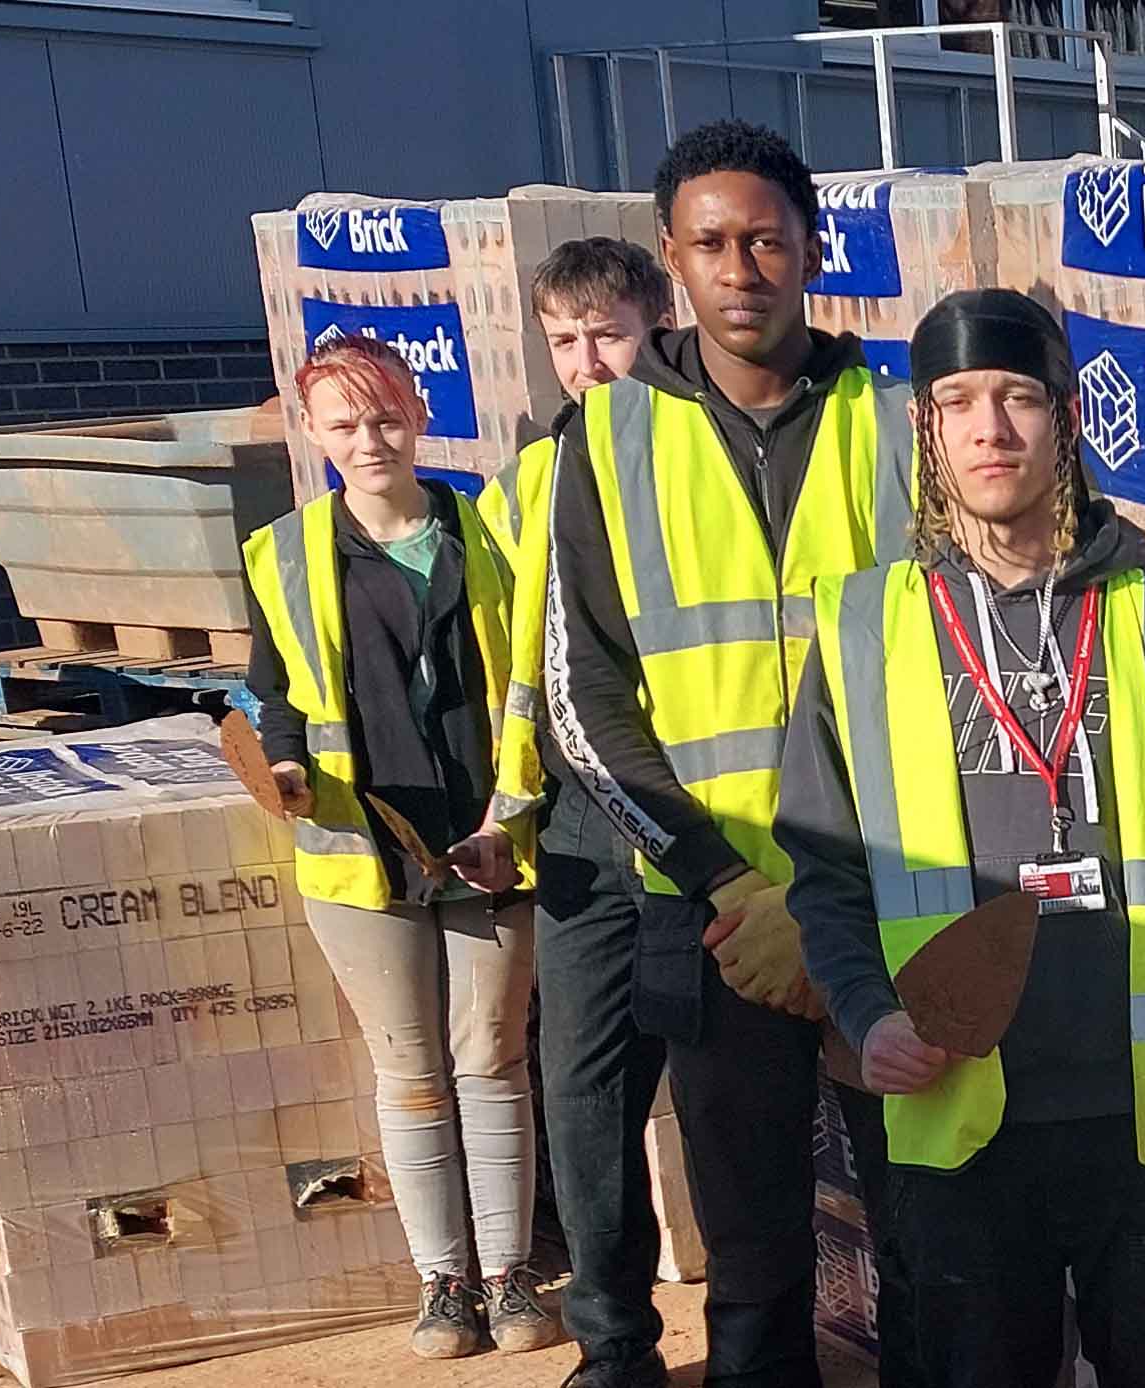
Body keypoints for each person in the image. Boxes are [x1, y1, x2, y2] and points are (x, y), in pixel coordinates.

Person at [775, 287, 1145, 1388]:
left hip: (1142, 1132)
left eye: (1017, 397)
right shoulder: (864, 627)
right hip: (960, 1130)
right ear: (928, 430)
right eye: (958, 402)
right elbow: (826, 869)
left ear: (1068, 416)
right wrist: (866, 1011)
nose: (990, 427)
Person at [541, 118, 915, 1388]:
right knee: (754, 1266)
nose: (741, 265)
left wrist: (841, 896)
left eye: (766, 238)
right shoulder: (602, 441)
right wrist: (725, 880)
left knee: (931, 1243)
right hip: (706, 918)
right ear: (672, 259)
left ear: (811, 248)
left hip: (889, 902)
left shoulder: (902, 422)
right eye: (712, 242)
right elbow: (582, 700)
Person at [244, 333, 560, 1360]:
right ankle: (443, 1282)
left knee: (494, 1060)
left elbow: (534, 681)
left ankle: (511, 1277)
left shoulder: (489, 534)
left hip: (489, 839)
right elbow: (278, 697)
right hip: (362, 852)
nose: (368, 439)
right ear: (313, 433)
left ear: (419, 414)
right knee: (413, 1071)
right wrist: (284, 772)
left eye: (384, 417)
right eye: (343, 424)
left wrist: (509, 818)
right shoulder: (283, 553)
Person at [474, 237, 720, 1387]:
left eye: (607, 334)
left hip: (703, 819)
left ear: (659, 322)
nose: (587, 362)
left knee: (730, 1093)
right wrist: (504, 805)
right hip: (579, 827)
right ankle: (616, 1347)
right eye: (565, 341)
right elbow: (514, 665)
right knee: (584, 1096)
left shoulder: (706, 455)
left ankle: (758, 1343)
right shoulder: (526, 480)